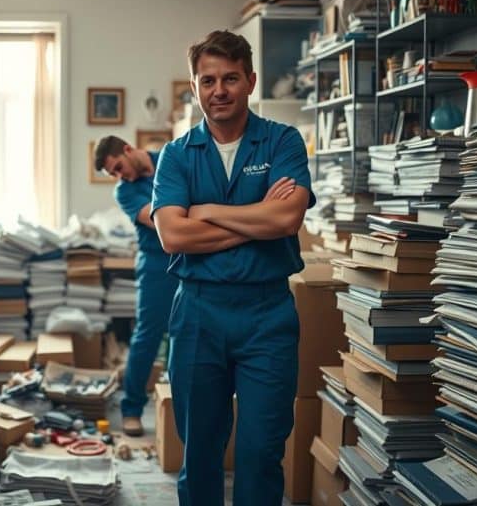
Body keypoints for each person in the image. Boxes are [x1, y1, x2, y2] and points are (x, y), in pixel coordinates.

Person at [151, 30, 314, 506]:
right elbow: (173, 236)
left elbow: (286, 219)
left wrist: (205, 212)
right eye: (208, 81)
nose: (218, 90)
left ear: (250, 81)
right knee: (200, 452)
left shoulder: (282, 141)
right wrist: (256, 220)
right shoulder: (177, 155)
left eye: (230, 79)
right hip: (198, 313)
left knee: (261, 451)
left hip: (267, 315)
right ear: (194, 86)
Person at [92, 135, 175, 437]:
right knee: (147, 336)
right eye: (113, 173)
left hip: (190, 257)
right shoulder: (125, 191)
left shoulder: (171, 158)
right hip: (156, 263)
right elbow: (162, 222)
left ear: (128, 150)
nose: (119, 176)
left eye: (118, 167)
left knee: (186, 333)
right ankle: (132, 409)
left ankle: (177, 406)